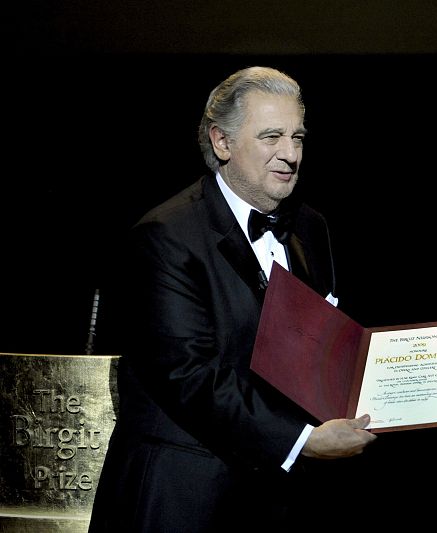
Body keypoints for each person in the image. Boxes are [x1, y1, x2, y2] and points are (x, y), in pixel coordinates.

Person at [88, 66, 376, 532]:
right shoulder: (166, 236)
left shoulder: (310, 227)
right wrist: (302, 441)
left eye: (298, 137)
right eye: (271, 137)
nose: (290, 154)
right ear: (221, 142)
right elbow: (191, 376)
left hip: (281, 497)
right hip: (185, 497)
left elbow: (321, 346)